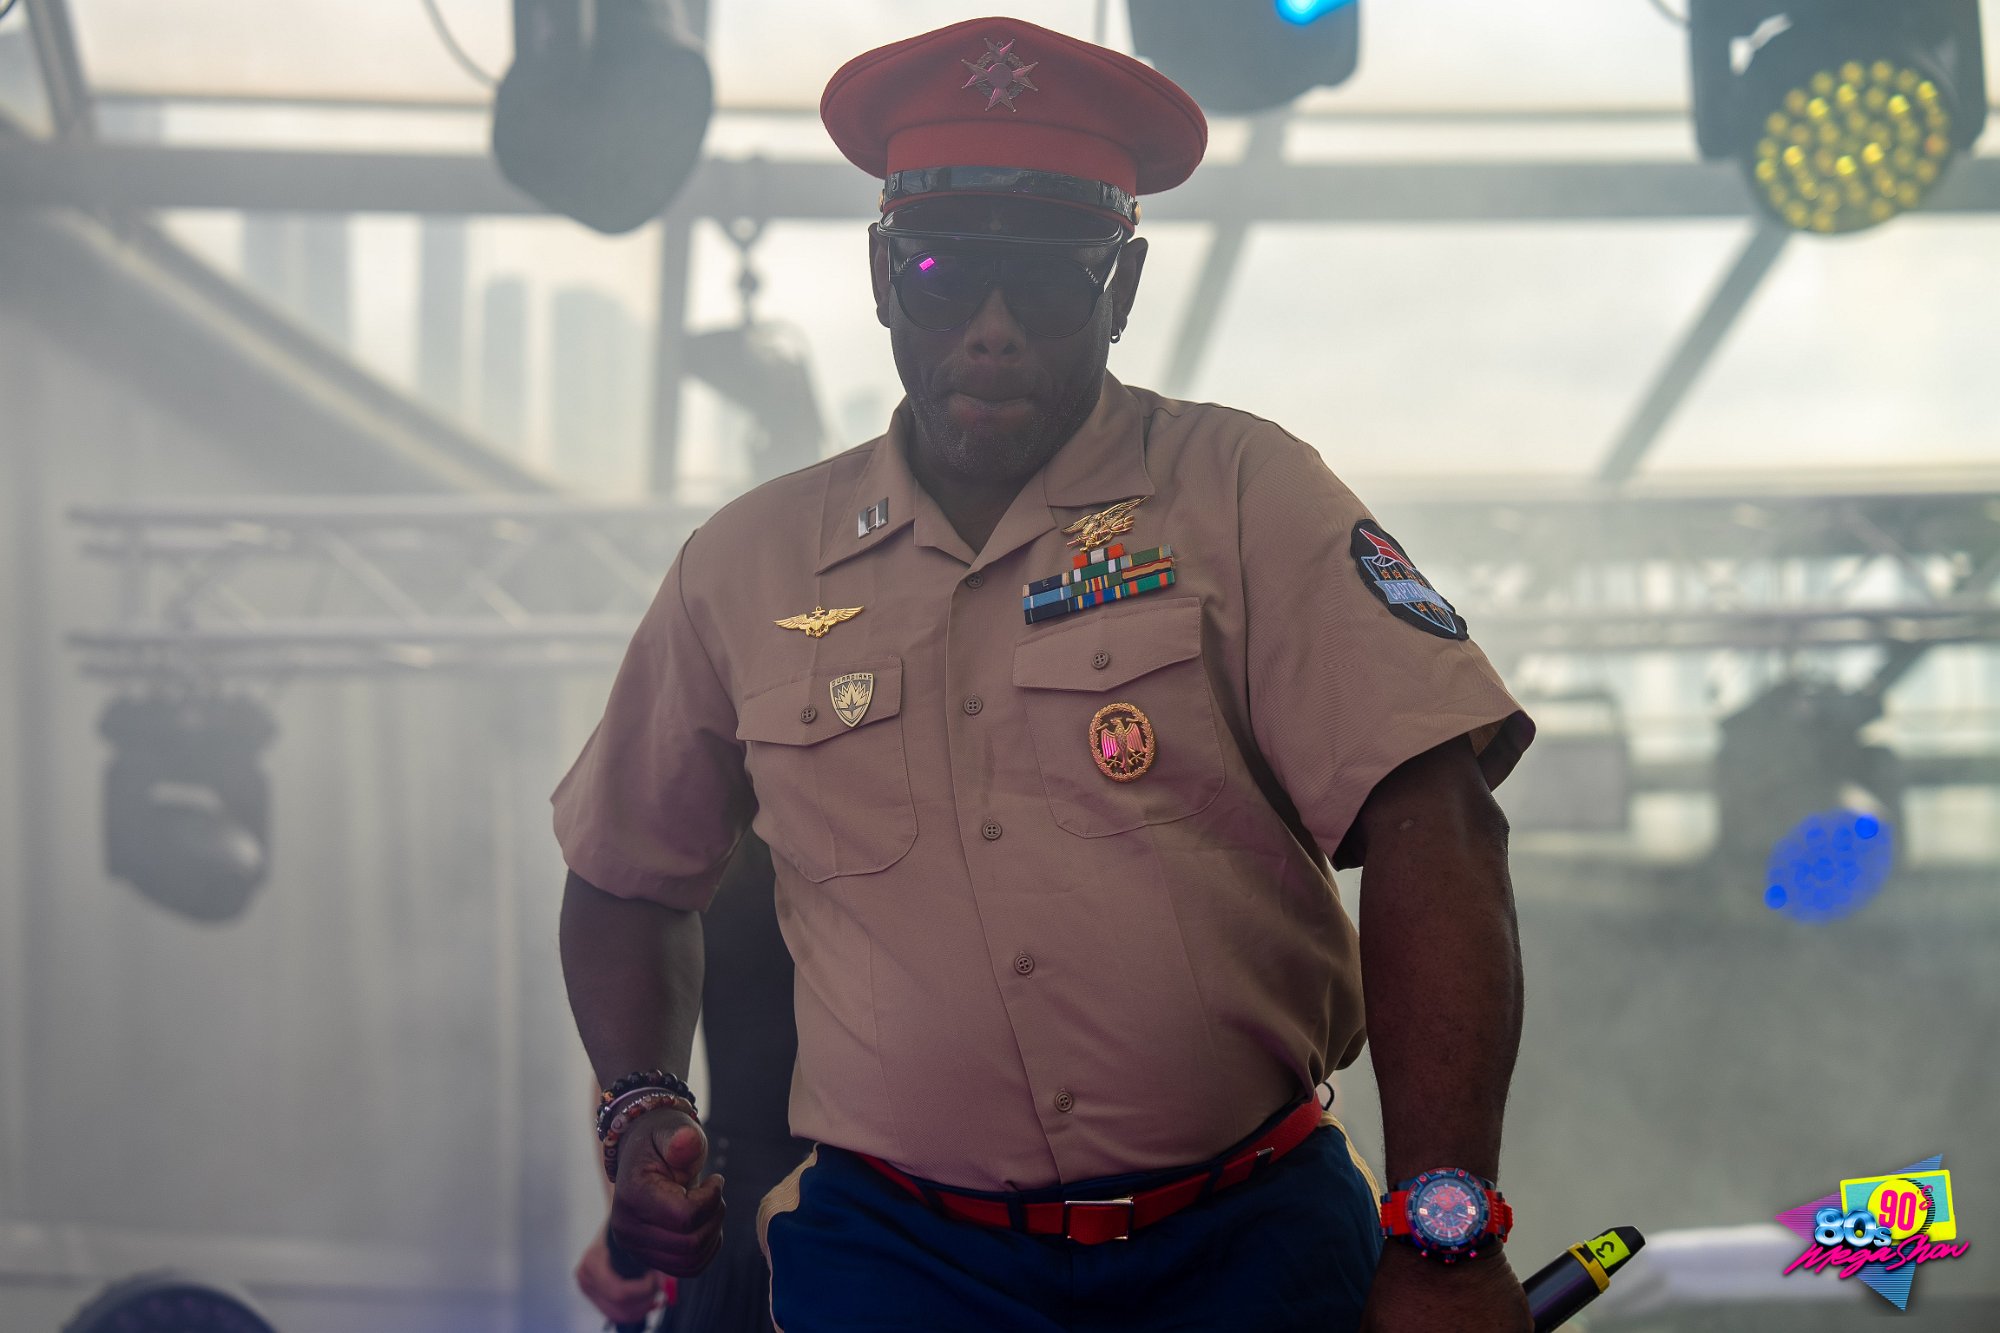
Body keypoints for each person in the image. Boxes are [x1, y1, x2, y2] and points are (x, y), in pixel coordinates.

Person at [555, 16, 1537, 1332]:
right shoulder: (743, 566)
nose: (993, 331)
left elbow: (1441, 829)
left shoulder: (1247, 494)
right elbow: (624, 874)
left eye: (1049, 283)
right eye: (944, 274)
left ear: (1122, 287)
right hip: (898, 1261)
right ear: (881, 275)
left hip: (1250, 1241)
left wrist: (1444, 1231)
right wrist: (638, 1105)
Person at [573, 831, 803, 1332]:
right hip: (734, 1235)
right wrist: (632, 1218)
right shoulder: (714, 836)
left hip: (878, 1232)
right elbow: (631, 1054)